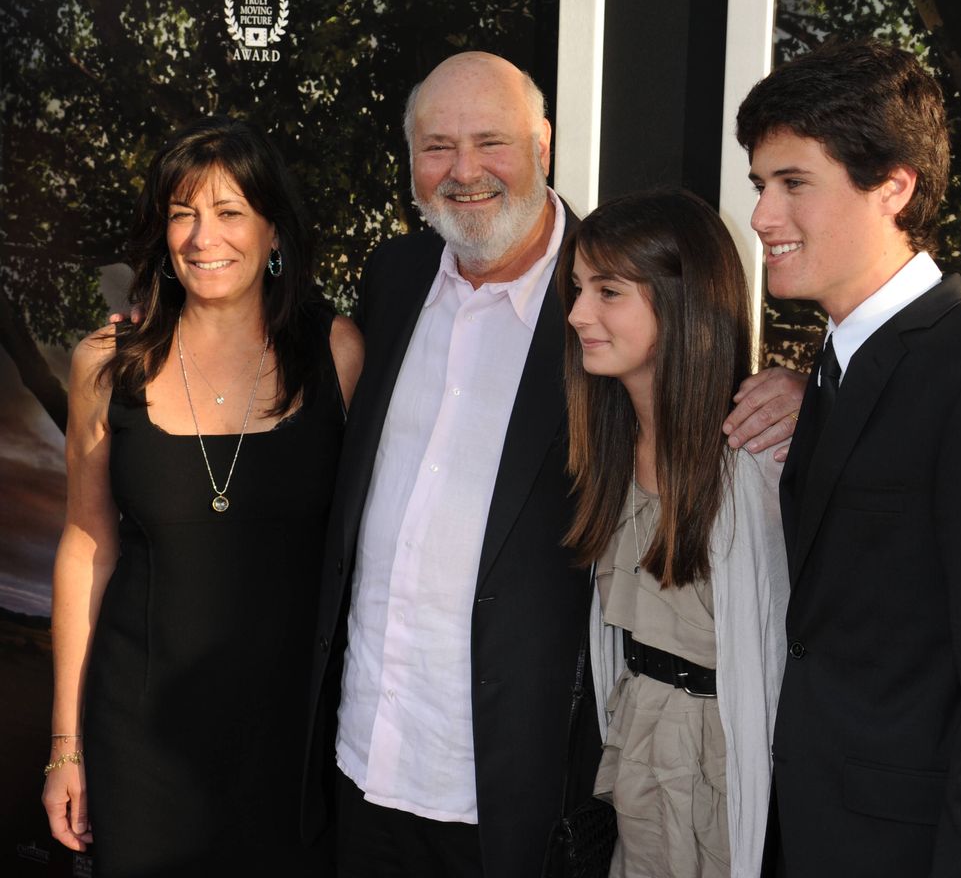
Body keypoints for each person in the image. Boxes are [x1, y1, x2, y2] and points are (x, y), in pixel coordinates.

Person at [301, 51, 804, 878]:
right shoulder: (392, 278)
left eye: (490, 141)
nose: (464, 172)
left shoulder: (608, 298)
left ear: (542, 143)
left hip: (521, 796)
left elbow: (696, 382)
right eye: (436, 147)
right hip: (364, 765)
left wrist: (806, 391)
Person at [42, 116, 363, 877]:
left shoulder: (338, 353)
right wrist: (65, 746)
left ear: (273, 232)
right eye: (183, 214)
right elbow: (86, 545)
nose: (201, 237)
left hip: (294, 745)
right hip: (140, 738)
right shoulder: (105, 365)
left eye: (228, 213)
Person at [736, 38, 961, 877]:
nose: (762, 218)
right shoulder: (834, 368)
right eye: (762, 186)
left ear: (893, 185)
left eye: (794, 184)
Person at [559, 190, 789, 877]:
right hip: (634, 751)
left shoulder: (756, 461)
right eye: (577, 288)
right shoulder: (607, 450)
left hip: (727, 771)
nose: (576, 314)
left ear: (680, 299)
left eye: (608, 291)